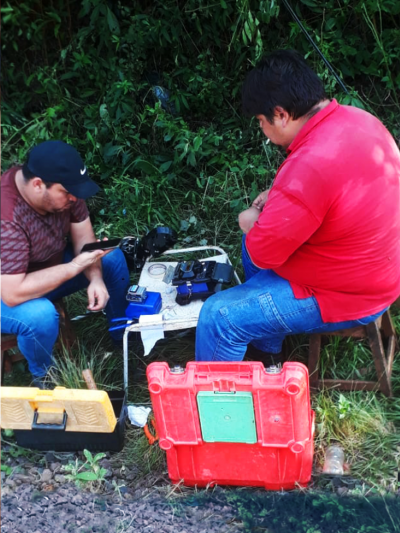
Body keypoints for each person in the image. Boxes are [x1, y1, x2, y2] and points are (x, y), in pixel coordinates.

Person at [195, 49, 400, 365]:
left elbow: (264, 252)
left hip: (351, 296)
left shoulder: (309, 167)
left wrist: (252, 218)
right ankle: (268, 352)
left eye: (262, 121)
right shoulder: (359, 119)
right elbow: (328, 188)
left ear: (280, 114)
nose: (263, 129)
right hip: (379, 268)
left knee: (219, 316)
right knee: (252, 252)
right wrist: (280, 197)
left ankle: (223, 410)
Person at [1, 140, 130, 386]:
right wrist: (74, 267)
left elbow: (86, 241)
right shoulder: (7, 217)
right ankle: (44, 376)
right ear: (38, 184)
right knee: (40, 315)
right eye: (68, 193)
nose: (74, 198)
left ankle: (123, 340)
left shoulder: (65, 189)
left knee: (111, 258)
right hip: (7, 290)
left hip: (46, 268)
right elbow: (13, 293)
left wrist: (95, 278)